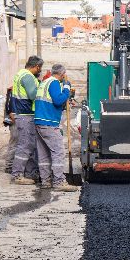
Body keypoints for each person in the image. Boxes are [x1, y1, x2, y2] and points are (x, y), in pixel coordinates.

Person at [33, 64, 77, 192]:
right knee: (58, 152)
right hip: (49, 122)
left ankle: (46, 181)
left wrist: (65, 102)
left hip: (39, 121)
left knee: (43, 153)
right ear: (62, 74)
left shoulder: (44, 82)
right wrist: (67, 89)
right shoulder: (54, 83)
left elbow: (51, 102)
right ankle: (59, 181)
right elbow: (57, 100)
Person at [10, 56, 43, 185]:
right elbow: (33, 95)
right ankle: (17, 175)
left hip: (21, 114)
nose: (39, 70)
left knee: (29, 145)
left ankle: (30, 172)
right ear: (36, 67)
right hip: (26, 114)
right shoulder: (28, 77)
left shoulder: (20, 74)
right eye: (39, 68)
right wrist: (42, 88)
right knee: (25, 145)